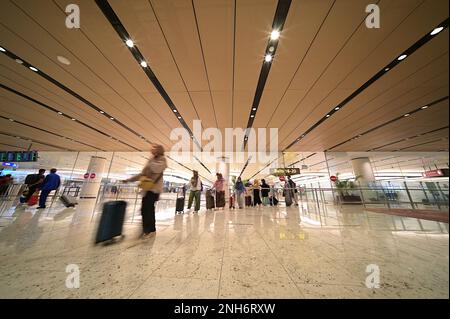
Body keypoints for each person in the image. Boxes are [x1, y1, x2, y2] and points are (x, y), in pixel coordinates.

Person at [124, 145, 167, 238]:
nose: (152, 149)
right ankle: (149, 229)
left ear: (159, 150)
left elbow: (157, 168)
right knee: (146, 209)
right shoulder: (152, 160)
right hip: (148, 189)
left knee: (147, 209)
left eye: (154, 148)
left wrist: (150, 161)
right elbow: (142, 174)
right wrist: (129, 179)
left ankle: (149, 230)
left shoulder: (162, 160)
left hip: (154, 190)